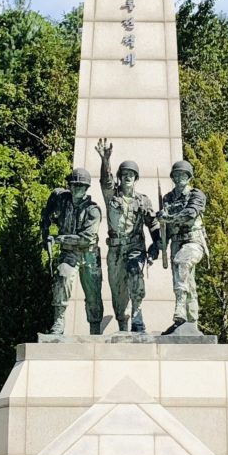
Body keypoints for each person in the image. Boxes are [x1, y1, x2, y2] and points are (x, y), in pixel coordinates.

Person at [95, 137, 156, 333]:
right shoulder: (112, 196)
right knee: (118, 290)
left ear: (136, 178)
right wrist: (105, 160)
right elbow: (105, 181)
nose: (128, 177)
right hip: (115, 248)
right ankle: (123, 323)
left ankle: (137, 317)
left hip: (135, 247)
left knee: (135, 273)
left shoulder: (143, 201)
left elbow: (153, 224)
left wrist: (157, 244)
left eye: (131, 174)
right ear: (120, 177)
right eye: (125, 174)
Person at [40, 166, 103, 335]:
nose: (76, 188)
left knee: (93, 293)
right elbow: (47, 213)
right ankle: (58, 322)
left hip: (89, 255)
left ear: (86, 188)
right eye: (73, 185)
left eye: (80, 186)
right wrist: (45, 230)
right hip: (69, 253)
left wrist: (58, 239)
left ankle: (95, 328)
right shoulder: (61, 200)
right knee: (62, 277)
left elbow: (85, 239)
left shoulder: (93, 210)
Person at [154, 157, 207, 332]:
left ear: (189, 177)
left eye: (183, 175)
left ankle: (180, 308)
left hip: (193, 240)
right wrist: (159, 242)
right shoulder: (168, 198)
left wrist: (168, 218)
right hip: (176, 243)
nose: (179, 178)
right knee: (186, 280)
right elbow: (166, 228)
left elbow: (190, 214)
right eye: (176, 175)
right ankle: (192, 321)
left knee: (182, 262)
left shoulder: (196, 195)